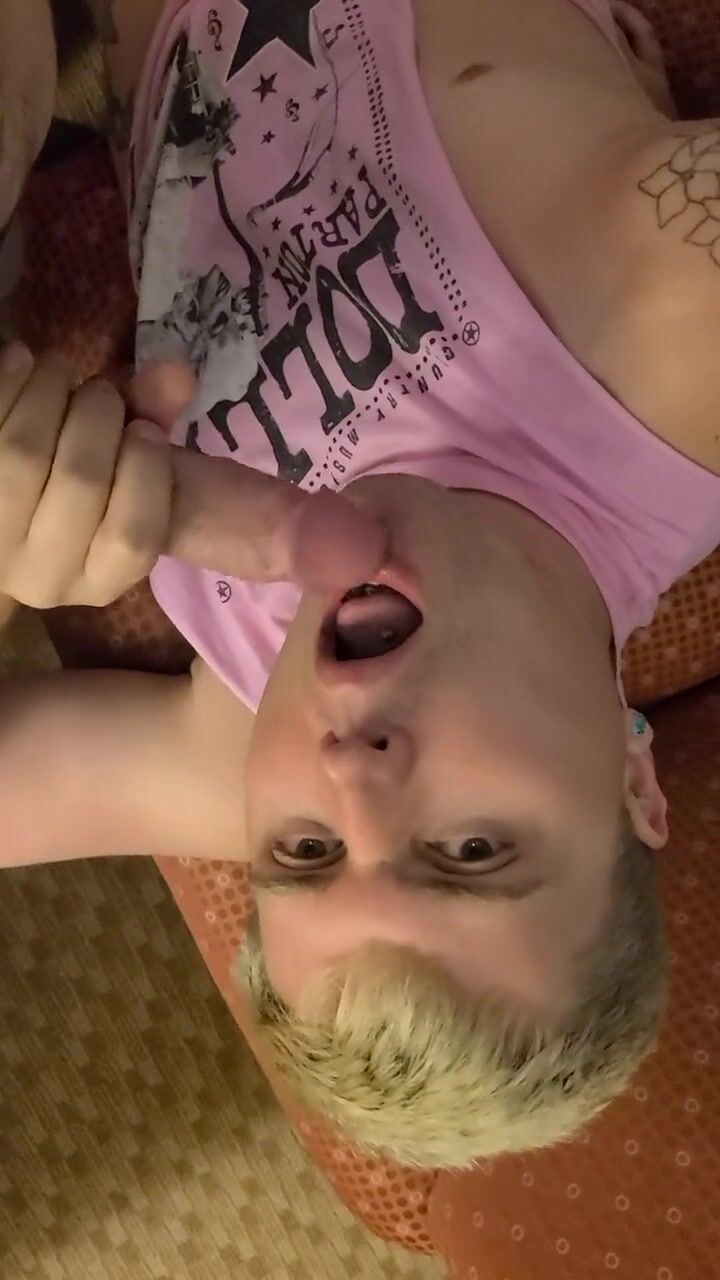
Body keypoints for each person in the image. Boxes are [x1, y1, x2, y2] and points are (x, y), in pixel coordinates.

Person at [0, 0, 718, 1169]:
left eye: (305, 855)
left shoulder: (238, 752)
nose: (353, 774)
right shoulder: (677, 335)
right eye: (473, 849)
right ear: (633, 782)